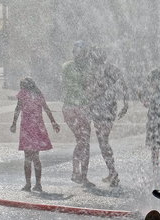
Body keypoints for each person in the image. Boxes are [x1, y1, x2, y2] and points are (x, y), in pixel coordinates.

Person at [86, 46, 129, 187]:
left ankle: (113, 173)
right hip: (109, 108)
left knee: (103, 141)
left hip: (101, 109)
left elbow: (93, 91)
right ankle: (112, 172)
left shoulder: (95, 71)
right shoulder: (112, 69)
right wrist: (125, 103)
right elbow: (124, 85)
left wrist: (88, 103)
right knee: (104, 141)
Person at [10, 77, 60, 192]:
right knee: (36, 158)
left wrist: (13, 123)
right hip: (37, 127)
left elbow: (17, 108)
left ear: (23, 86)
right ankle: (38, 184)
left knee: (27, 158)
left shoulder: (22, 94)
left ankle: (28, 184)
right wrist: (53, 122)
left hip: (27, 128)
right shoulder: (38, 94)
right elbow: (46, 109)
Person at [62, 41, 95, 187]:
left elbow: (90, 85)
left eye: (83, 52)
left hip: (82, 107)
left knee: (84, 142)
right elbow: (73, 85)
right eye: (78, 51)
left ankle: (82, 175)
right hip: (73, 108)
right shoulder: (68, 67)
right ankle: (77, 173)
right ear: (74, 52)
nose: (80, 54)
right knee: (82, 141)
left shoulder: (88, 67)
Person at [138, 69, 160, 166]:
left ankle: (159, 172)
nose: (150, 84)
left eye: (151, 81)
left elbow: (150, 105)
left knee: (157, 150)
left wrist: (141, 97)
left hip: (157, 124)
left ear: (156, 80)